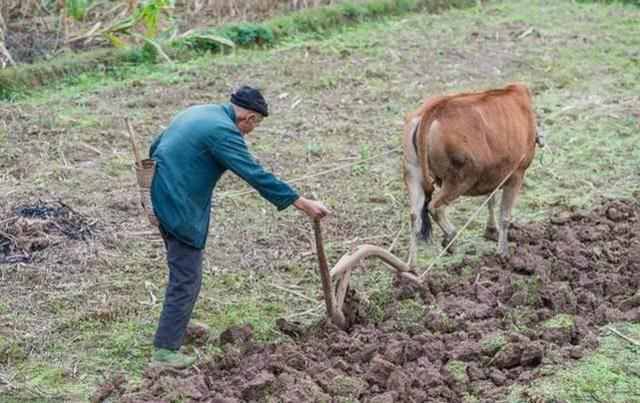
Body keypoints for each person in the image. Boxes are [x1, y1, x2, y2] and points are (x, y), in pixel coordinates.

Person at [148, 86, 330, 367]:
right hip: (179, 204)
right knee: (187, 276)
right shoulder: (224, 132)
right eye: (256, 123)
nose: (252, 129)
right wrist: (301, 202)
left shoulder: (201, 112)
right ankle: (165, 352)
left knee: (183, 269)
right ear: (249, 117)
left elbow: (156, 145)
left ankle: (177, 326)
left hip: (162, 193)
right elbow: (254, 174)